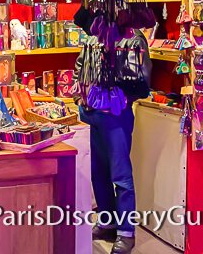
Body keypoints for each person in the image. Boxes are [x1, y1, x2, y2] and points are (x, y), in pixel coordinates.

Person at [74, 29, 152, 254]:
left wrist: (119, 99)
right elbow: (81, 65)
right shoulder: (94, 34)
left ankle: (126, 232)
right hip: (91, 112)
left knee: (120, 175)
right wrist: (81, 94)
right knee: (98, 172)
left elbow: (141, 81)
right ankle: (108, 222)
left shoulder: (132, 38)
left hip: (115, 115)